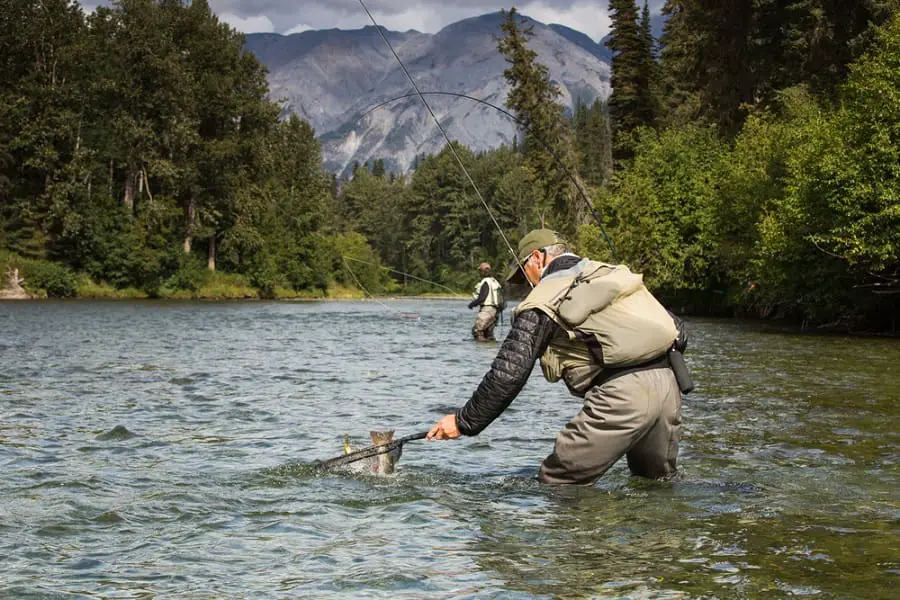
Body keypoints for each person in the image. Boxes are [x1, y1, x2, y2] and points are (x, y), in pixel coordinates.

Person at [428, 229, 687, 484]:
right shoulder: (611, 273)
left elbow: (508, 373)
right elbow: (677, 330)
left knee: (557, 483)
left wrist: (464, 421)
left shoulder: (543, 298)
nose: (528, 282)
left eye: (524, 271)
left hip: (623, 398)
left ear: (537, 259)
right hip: (669, 387)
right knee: (657, 485)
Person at [468, 262, 502, 342]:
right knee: (488, 334)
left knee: (477, 331)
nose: (480, 273)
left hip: (487, 310)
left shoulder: (486, 281)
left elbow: (482, 298)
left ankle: (480, 352)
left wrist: (472, 304)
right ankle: (488, 350)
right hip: (496, 311)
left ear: (483, 271)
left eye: (480, 271)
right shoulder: (496, 282)